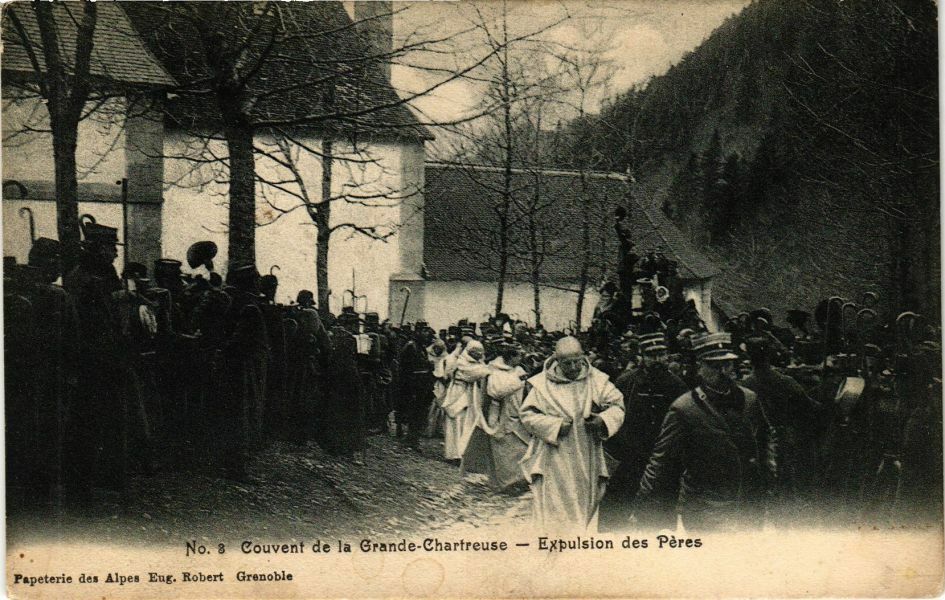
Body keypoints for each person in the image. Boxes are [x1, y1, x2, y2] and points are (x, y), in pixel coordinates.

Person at [635, 332, 779, 531]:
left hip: (748, 505)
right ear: (699, 368)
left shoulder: (749, 399)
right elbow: (661, 460)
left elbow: (765, 439)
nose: (723, 372)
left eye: (727, 365)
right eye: (714, 366)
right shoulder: (684, 408)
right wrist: (643, 502)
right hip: (704, 509)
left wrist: (769, 475)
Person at [520, 336, 625, 531]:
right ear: (557, 360)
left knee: (585, 501)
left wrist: (602, 420)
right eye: (567, 363)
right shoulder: (542, 384)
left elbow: (618, 406)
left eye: (577, 361)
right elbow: (527, 415)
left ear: (583, 357)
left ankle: (580, 539)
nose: (574, 367)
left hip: (587, 453)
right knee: (556, 504)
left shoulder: (597, 380)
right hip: (554, 455)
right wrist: (554, 426)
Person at [600, 332, 687, 531]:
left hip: (663, 459)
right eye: (651, 355)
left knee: (661, 517)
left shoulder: (678, 385)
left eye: (661, 354)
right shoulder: (626, 382)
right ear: (642, 357)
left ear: (667, 356)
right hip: (630, 456)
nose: (657, 360)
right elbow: (613, 416)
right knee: (615, 514)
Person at [742, 335, 821, 515]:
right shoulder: (786, 382)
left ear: (749, 358)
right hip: (785, 439)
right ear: (770, 355)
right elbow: (811, 408)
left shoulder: (745, 385)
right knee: (787, 489)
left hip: (757, 442)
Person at [461, 343, 530, 491]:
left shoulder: (519, 369)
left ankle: (518, 479)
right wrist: (518, 381)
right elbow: (496, 391)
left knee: (520, 446)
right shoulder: (494, 370)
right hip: (500, 414)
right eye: (519, 356)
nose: (521, 358)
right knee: (504, 449)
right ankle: (506, 482)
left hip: (517, 410)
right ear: (510, 357)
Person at [440, 339, 490, 462]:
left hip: (469, 395)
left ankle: (462, 453)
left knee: (465, 424)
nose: (479, 355)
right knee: (456, 422)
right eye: (476, 353)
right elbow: (477, 373)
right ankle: (454, 454)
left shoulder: (476, 363)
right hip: (458, 393)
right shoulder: (462, 362)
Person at [397, 325, 436, 450]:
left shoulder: (421, 346)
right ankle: (410, 439)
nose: (427, 334)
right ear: (417, 332)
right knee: (413, 412)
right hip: (413, 385)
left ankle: (414, 438)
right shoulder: (411, 346)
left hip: (422, 384)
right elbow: (405, 367)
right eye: (424, 331)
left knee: (420, 412)